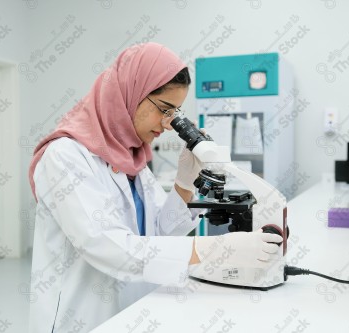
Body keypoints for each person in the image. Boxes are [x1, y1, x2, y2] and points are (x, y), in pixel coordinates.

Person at [28, 42, 282, 332]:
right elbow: (109, 247)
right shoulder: (64, 156)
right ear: (130, 92)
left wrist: (184, 183)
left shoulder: (133, 157)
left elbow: (161, 232)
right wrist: (214, 249)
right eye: (164, 109)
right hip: (82, 319)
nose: (168, 124)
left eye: (175, 113)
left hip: (134, 310)